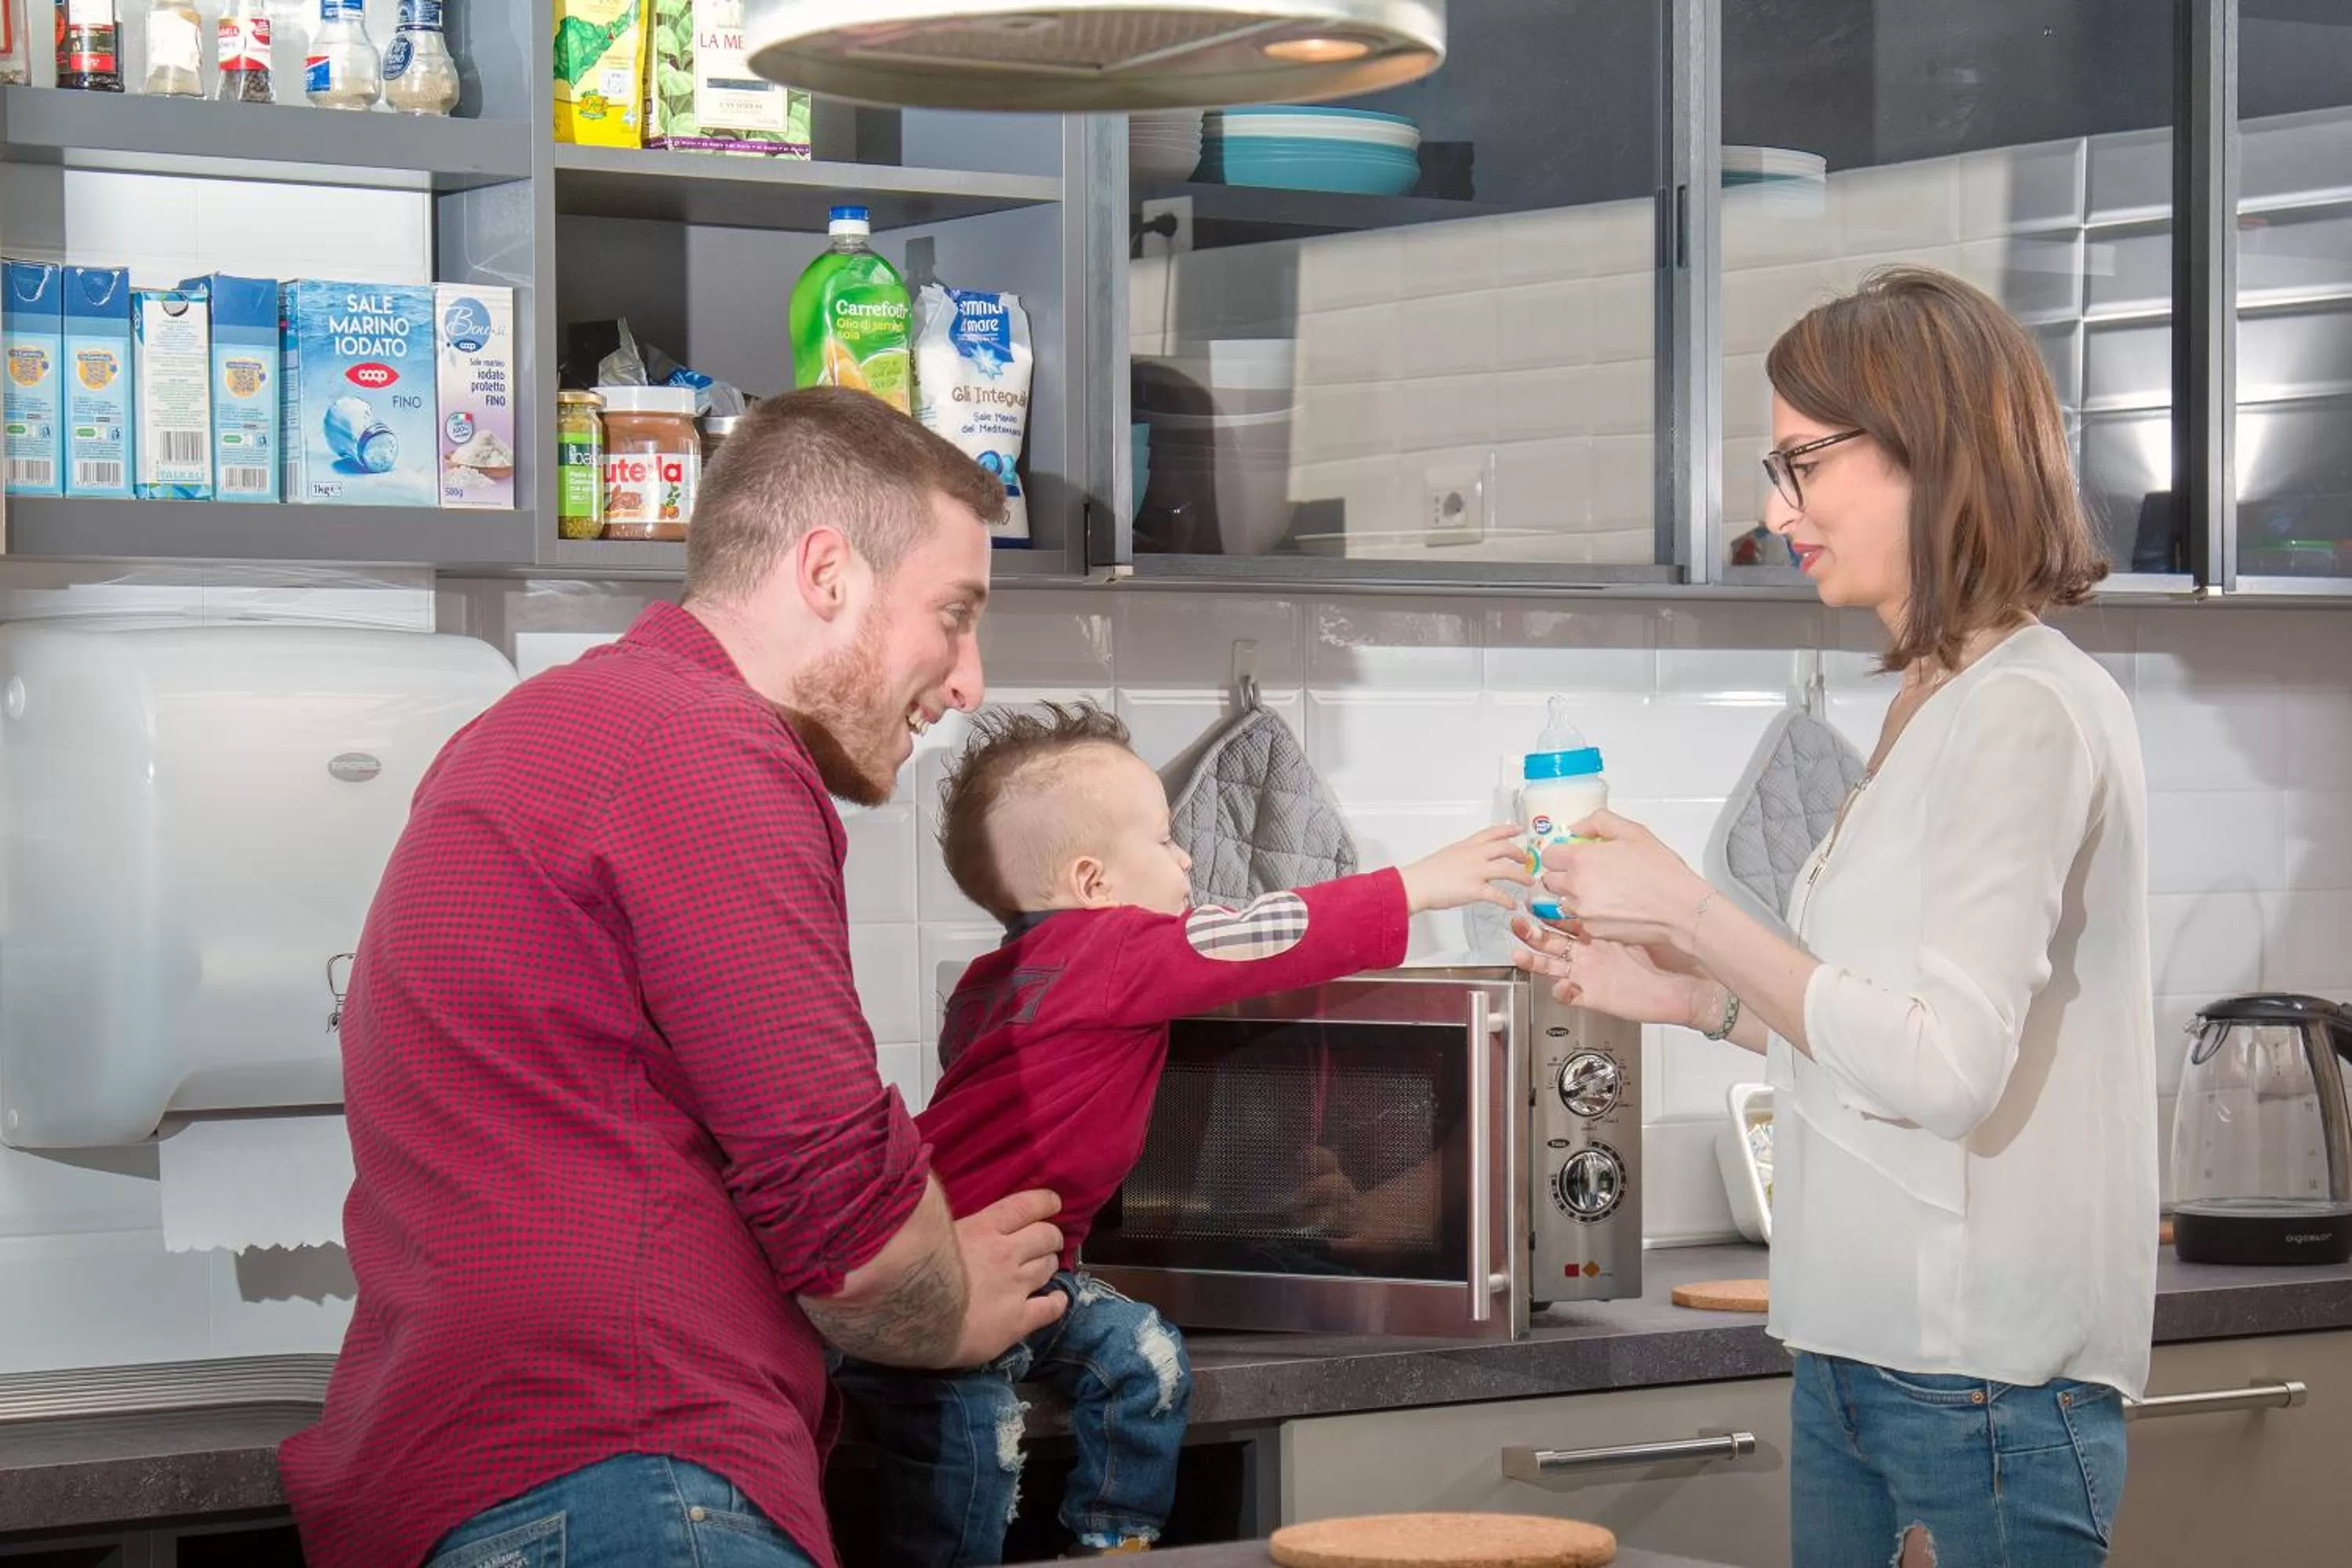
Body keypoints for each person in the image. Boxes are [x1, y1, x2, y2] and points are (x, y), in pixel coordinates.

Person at [281, 389, 1073, 1568]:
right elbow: (844, 1221)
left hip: (455, 1479)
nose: (966, 681)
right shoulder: (705, 751)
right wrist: (952, 1304)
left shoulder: (535, 730)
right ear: (826, 574)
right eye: (952, 615)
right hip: (627, 1479)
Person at [1513, 268, 2158, 1568]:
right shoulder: (1934, 697)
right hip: (1862, 1357)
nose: (1774, 508)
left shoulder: (2027, 708)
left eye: (1803, 462)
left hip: (1982, 1381)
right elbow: (1877, 1034)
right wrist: (1692, 998)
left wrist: (1694, 911)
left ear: (1936, 451)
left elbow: (1946, 1072)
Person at [833, 701, 1531, 1563]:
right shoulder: (1113, 949)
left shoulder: (994, 977)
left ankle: (1114, 1540)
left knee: (1141, 1351)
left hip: (1024, 1266)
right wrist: (1420, 883)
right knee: (973, 1431)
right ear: (1095, 885)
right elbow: (1262, 935)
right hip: (950, 1274)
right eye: (1164, 841)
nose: (1187, 856)